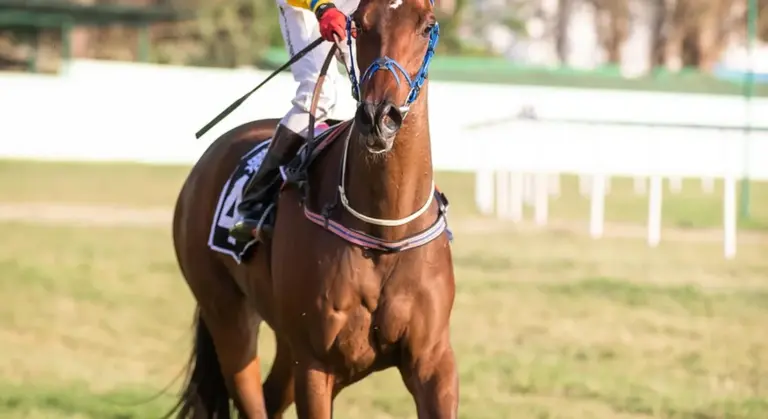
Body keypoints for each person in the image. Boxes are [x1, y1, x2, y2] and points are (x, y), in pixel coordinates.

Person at [228, 0, 354, 242]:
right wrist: (323, 7)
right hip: (306, 5)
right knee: (319, 95)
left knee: (381, 85)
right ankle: (255, 200)